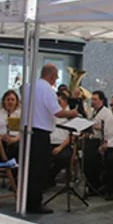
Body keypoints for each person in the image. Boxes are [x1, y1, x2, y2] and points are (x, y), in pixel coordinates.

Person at [27, 64, 78, 214]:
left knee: (30, 168)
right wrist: (73, 113)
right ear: (52, 76)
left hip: (28, 131)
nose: (55, 80)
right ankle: (34, 203)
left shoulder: (29, 87)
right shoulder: (47, 89)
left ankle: (25, 199)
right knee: (39, 170)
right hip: (41, 133)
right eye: (56, 77)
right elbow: (58, 113)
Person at [84, 90, 113, 192]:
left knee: (91, 161)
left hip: (100, 141)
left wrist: (92, 126)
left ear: (101, 101)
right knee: (85, 162)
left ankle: (96, 186)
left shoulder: (107, 113)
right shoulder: (92, 111)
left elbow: (107, 128)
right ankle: (91, 185)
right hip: (91, 139)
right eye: (92, 99)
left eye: (95, 99)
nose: (92, 101)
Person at [0, 89, 22, 162]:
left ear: (16, 101)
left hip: (15, 139)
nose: (10, 102)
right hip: (0, 139)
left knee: (19, 147)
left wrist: (15, 139)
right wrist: (0, 137)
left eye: (12, 100)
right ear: (4, 101)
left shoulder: (21, 114)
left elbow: (24, 131)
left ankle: (14, 167)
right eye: (8, 100)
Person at [50, 90, 74, 181]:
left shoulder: (70, 114)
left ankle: (51, 177)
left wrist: (60, 147)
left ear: (65, 102)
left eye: (59, 102)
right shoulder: (50, 114)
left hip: (63, 145)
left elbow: (72, 136)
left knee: (64, 157)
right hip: (49, 143)